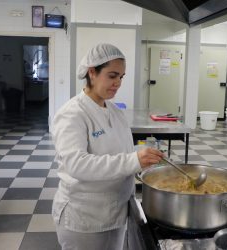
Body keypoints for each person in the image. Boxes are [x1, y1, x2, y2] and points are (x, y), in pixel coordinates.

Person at [52, 43, 164, 250]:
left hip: (117, 211)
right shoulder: (72, 114)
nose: (118, 83)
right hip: (85, 218)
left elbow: (123, 154)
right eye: (112, 76)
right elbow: (77, 165)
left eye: (121, 77)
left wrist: (142, 159)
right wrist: (133, 160)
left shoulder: (115, 112)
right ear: (92, 72)